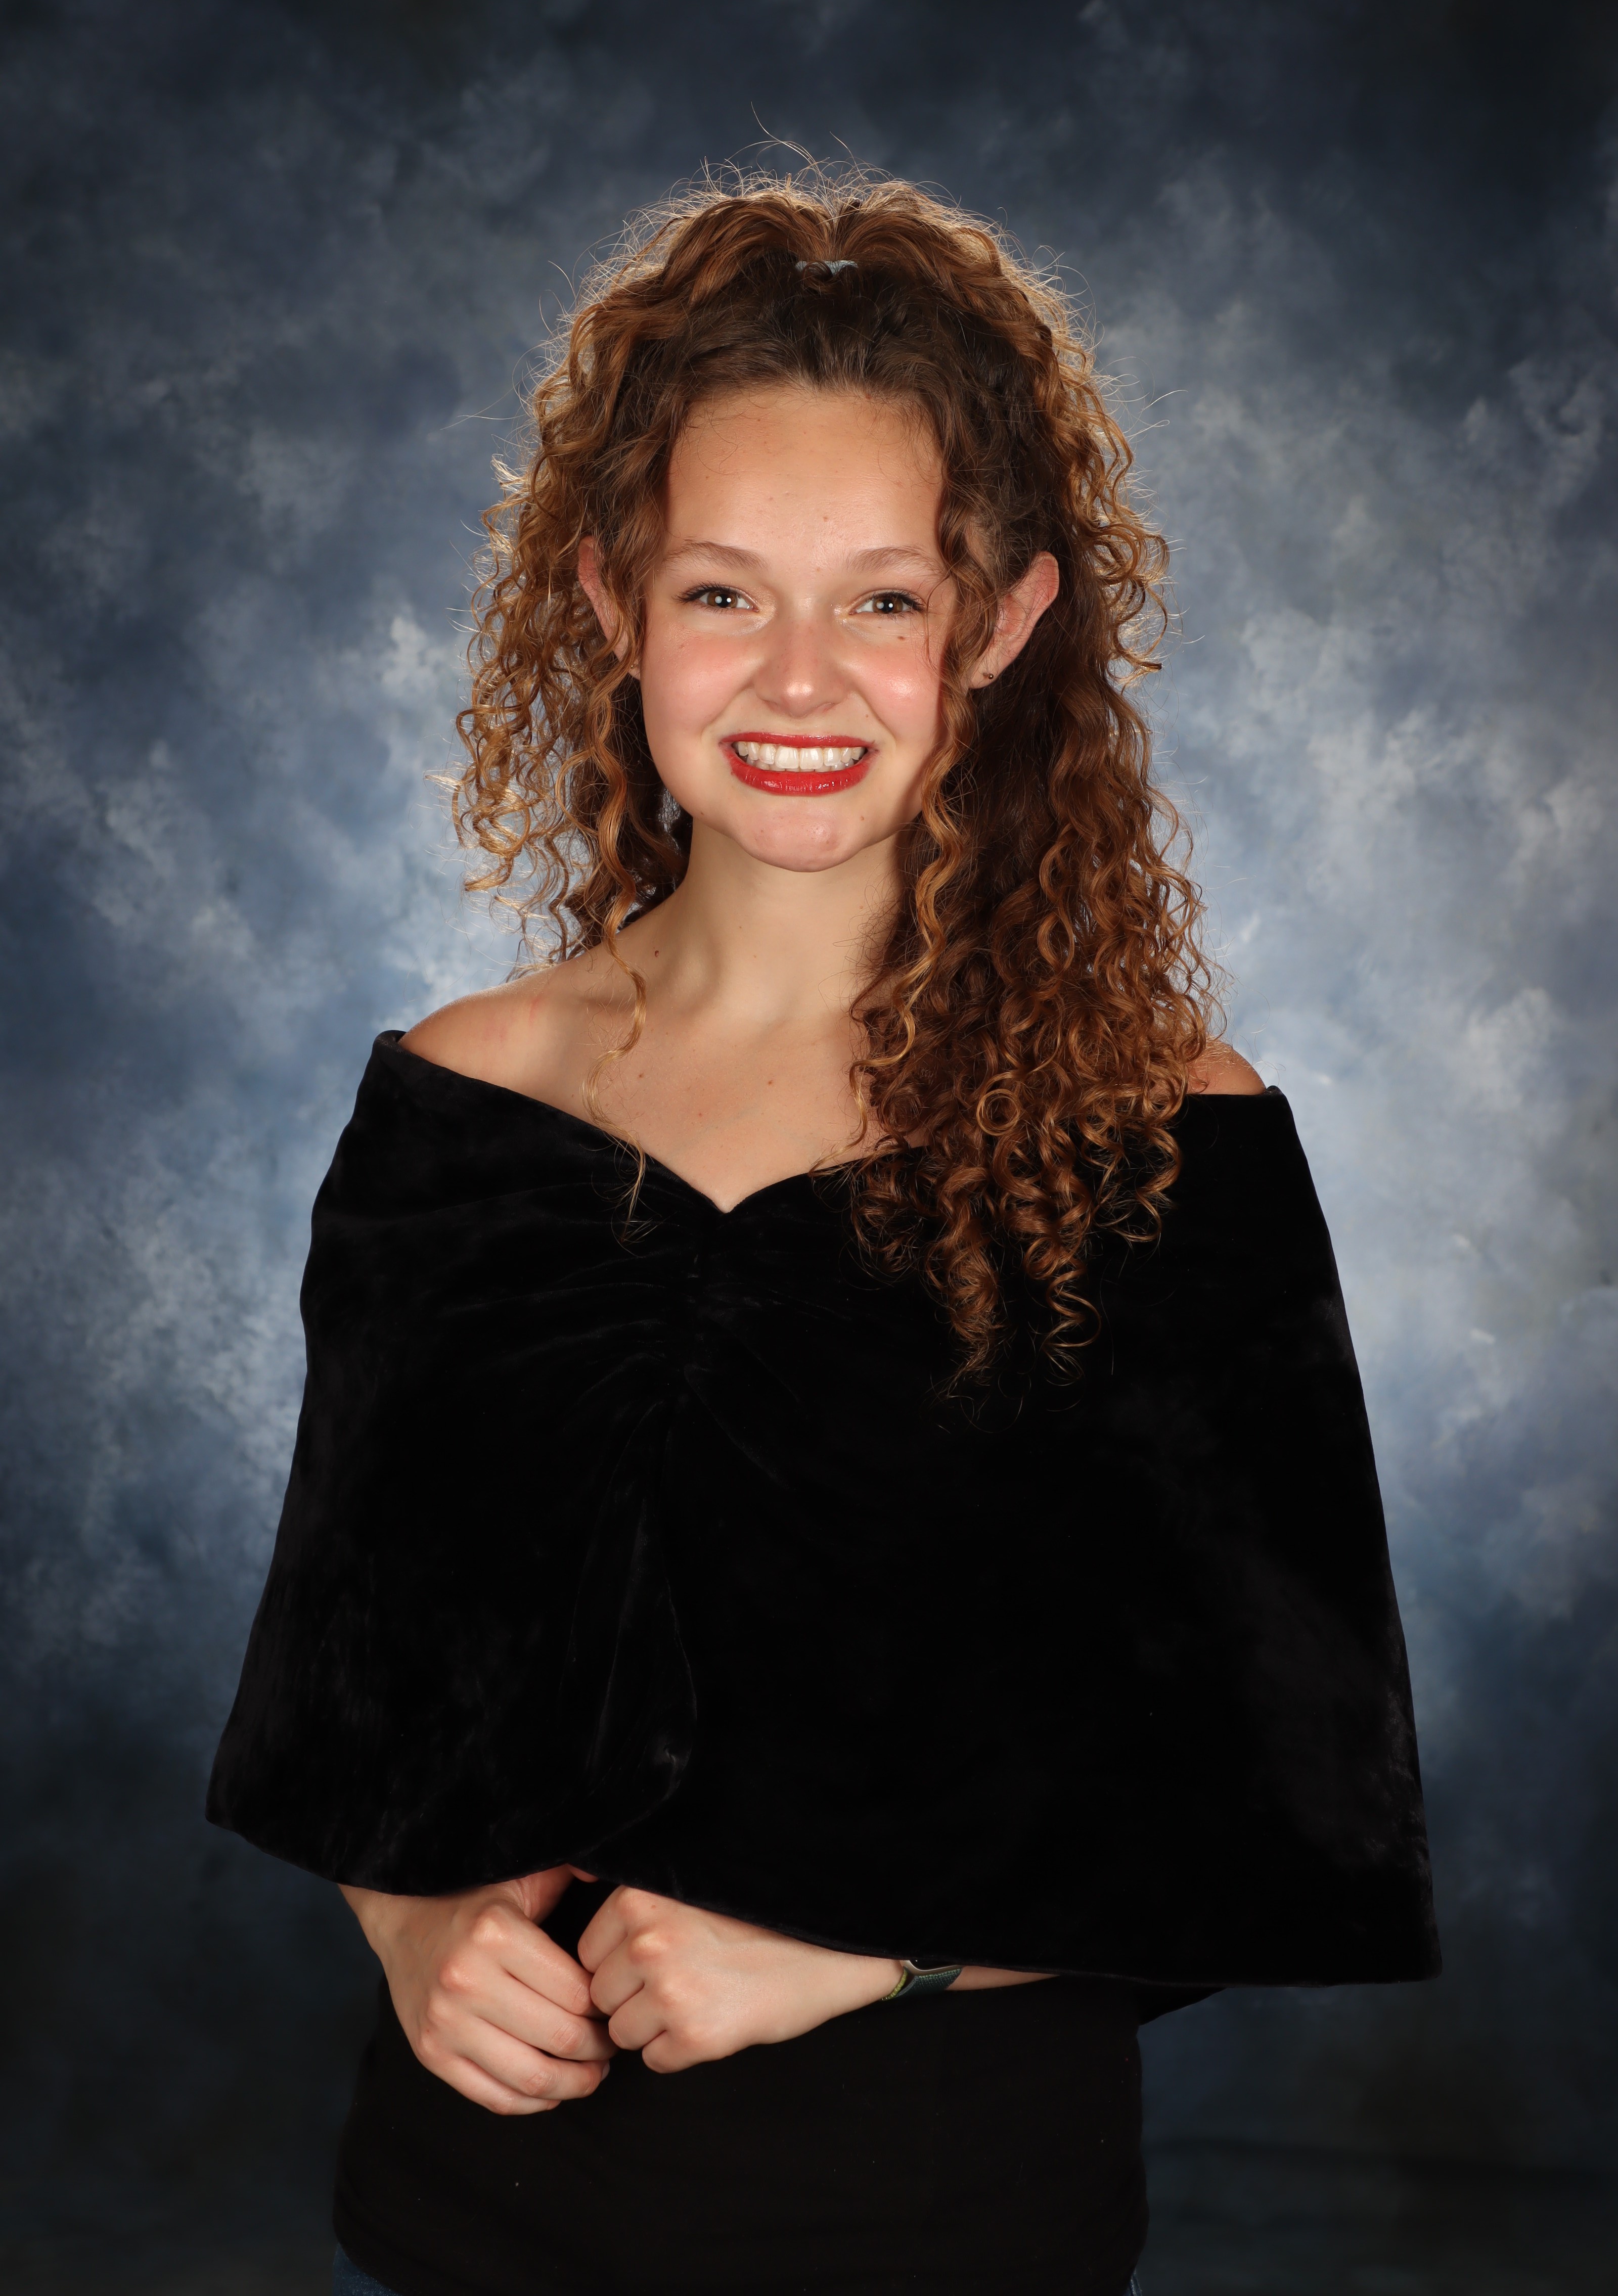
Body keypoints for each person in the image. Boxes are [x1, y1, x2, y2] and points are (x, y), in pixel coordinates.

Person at [208, 174, 1439, 2296]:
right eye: (723, 592)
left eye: (881, 599)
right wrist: (414, 1933)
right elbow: (352, 1687)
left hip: (939, 2213)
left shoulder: (1163, 1134)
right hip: (474, 2211)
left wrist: (871, 1956)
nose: (799, 677)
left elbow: (1282, 1789)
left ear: (1003, 622)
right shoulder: (458, 1098)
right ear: (610, 600)